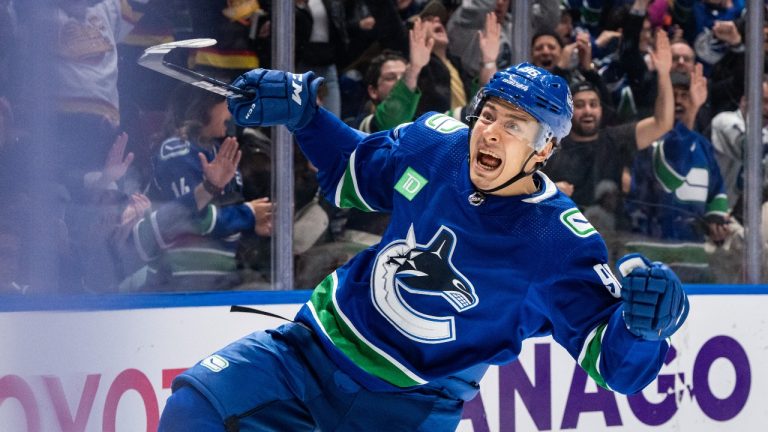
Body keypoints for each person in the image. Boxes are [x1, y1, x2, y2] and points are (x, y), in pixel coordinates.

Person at [158, 63, 689, 431]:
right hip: (309, 353)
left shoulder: (559, 241)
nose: (491, 133)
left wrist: (644, 328)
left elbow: (616, 367)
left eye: (515, 126)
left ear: (545, 147)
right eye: (488, 115)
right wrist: (307, 118)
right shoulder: (435, 144)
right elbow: (351, 171)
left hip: (409, 407)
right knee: (195, 410)